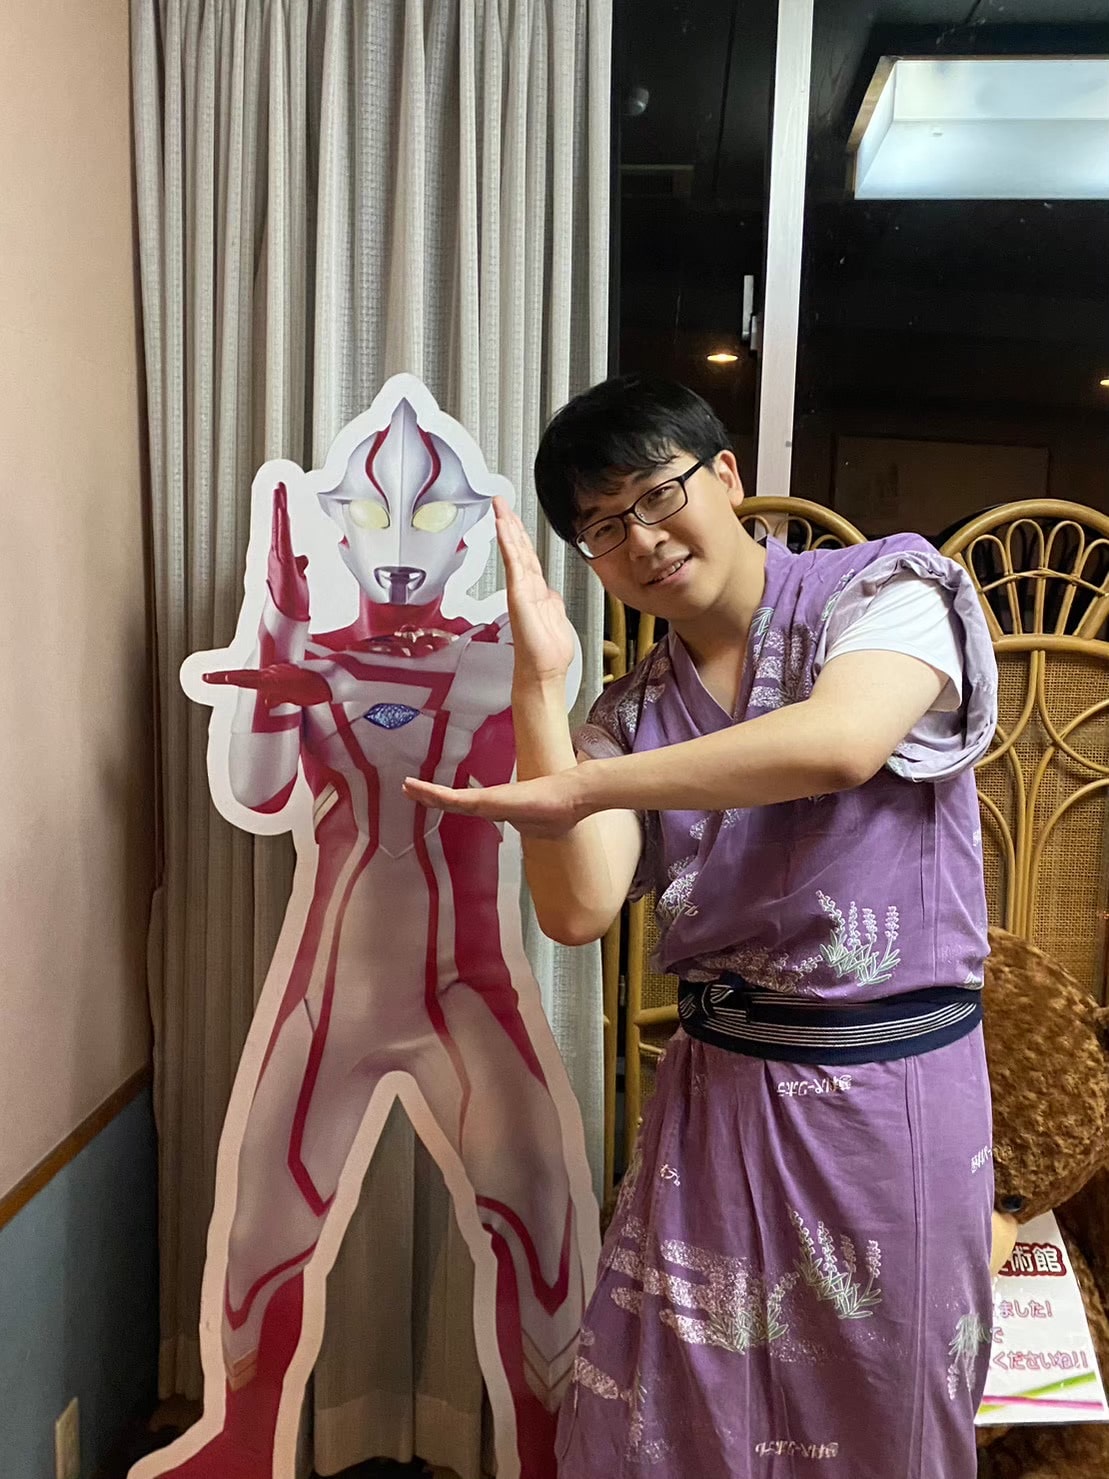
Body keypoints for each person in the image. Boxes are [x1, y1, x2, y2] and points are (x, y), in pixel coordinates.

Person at [405, 375, 1001, 1478]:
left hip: (888, 1099)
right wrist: (540, 683)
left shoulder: (887, 587)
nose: (640, 538)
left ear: (724, 475)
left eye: (655, 494)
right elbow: (577, 906)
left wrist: (585, 785)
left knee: (885, 1406)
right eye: (601, 526)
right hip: (714, 1099)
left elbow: (838, 743)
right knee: (677, 1410)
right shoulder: (630, 712)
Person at [145, 395, 593, 1479]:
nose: (398, 543)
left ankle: (552, 1459)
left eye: (431, 517)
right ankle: (239, 1446)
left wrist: (523, 668)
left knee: (542, 1216)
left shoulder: (504, 658)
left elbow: (554, 798)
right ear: (335, 528)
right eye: (371, 515)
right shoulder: (309, 654)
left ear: (473, 529)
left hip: (467, 988)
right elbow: (259, 787)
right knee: (259, 1225)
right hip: (331, 992)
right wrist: (278, 640)